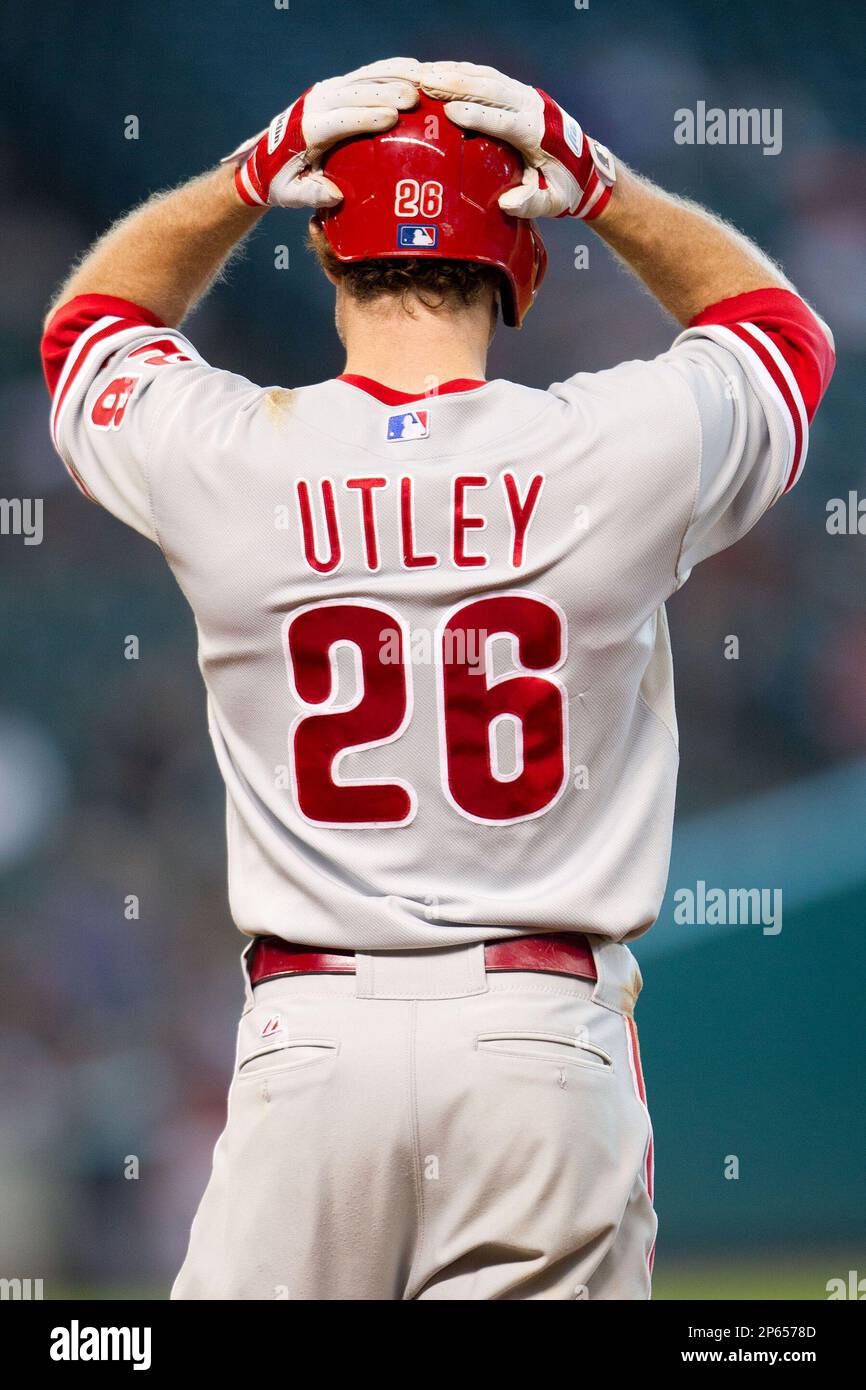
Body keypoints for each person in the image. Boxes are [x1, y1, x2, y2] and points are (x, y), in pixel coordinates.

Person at [41, 58, 834, 1300]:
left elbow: (86, 331)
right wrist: (600, 183)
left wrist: (248, 177)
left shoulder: (236, 456)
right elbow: (781, 337)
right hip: (536, 1045)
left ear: (327, 258)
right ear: (519, 264)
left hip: (312, 1044)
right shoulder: (610, 446)